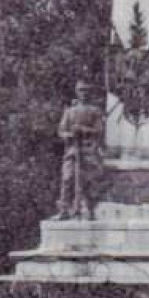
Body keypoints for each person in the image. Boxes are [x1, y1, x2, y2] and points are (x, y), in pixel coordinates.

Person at [55, 80, 105, 220]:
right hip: (72, 151)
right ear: (76, 92)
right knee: (67, 179)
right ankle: (64, 210)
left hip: (88, 150)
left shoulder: (95, 111)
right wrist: (70, 135)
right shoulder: (70, 111)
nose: (83, 93)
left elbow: (99, 130)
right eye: (81, 90)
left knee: (88, 180)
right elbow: (61, 130)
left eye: (86, 90)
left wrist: (83, 130)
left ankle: (90, 209)